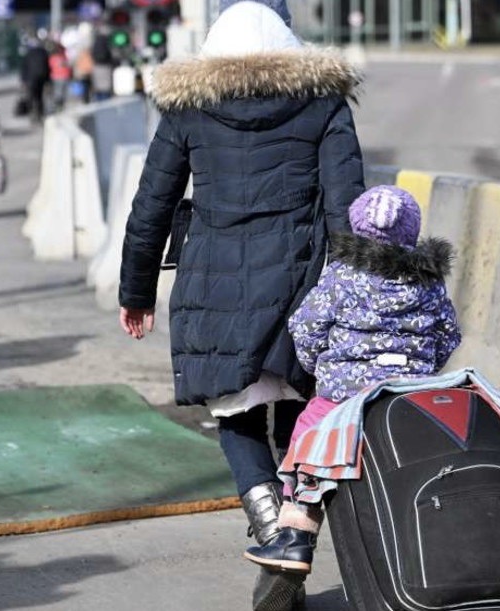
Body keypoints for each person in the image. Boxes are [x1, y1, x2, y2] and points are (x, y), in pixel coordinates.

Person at [117, 1, 364, 609]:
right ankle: (294, 529)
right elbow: (347, 202)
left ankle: (272, 526)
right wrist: (360, 289)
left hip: (214, 284)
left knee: (237, 413)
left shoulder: (188, 107)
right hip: (301, 280)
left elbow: (153, 203)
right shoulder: (323, 100)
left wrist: (137, 291)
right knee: (300, 410)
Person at [243, 185, 462, 573]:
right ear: (413, 231)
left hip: (344, 394)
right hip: (408, 395)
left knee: (307, 441)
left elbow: (306, 327)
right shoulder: (429, 280)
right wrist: (423, 370)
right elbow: (448, 335)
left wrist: (318, 370)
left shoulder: (342, 274)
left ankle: (295, 539)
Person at [20, 35, 50, 123]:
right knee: (39, 97)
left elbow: (24, 68)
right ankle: (39, 114)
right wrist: (48, 80)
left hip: (31, 79)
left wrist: (23, 80)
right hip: (41, 79)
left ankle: (32, 113)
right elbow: (47, 67)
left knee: (32, 97)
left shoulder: (28, 54)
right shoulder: (43, 53)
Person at [48, 43, 72, 112]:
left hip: (57, 77)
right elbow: (68, 66)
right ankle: (60, 107)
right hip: (63, 76)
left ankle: (59, 107)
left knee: (59, 93)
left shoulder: (52, 58)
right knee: (62, 93)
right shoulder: (63, 57)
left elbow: (50, 67)